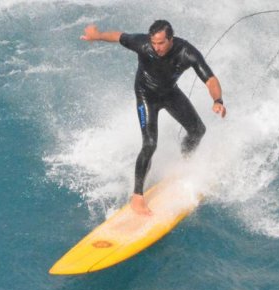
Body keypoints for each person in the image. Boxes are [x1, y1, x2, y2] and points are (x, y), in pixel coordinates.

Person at [81, 20, 227, 215]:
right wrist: (97, 35)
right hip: (145, 96)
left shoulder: (186, 52)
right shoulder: (143, 44)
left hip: (170, 93)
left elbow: (210, 79)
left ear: (171, 40)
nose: (156, 47)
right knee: (150, 144)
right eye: (154, 43)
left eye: (161, 43)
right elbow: (119, 36)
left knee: (198, 130)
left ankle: (184, 162)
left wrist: (218, 100)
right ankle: (137, 197)